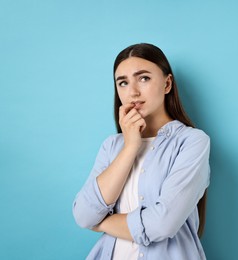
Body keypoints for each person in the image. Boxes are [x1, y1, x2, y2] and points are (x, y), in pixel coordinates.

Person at [72, 43, 210, 260]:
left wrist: (100, 222)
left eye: (144, 78)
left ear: (167, 84)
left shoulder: (192, 142)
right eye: (123, 82)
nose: (133, 92)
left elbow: (162, 225)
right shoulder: (112, 146)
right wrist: (130, 147)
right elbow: (82, 214)